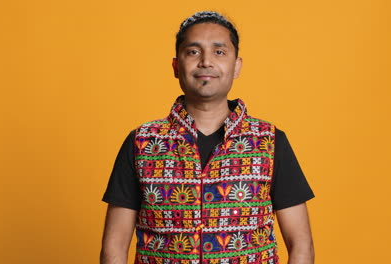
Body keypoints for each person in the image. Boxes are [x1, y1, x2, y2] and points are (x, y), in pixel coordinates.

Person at [101, 11, 315, 264]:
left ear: (236, 67)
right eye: (193, 52)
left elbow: (301, 245)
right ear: (175, 66)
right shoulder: (142, 143)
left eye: (219, 52)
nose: (205, 62)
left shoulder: (269, 142)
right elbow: (114, 246)